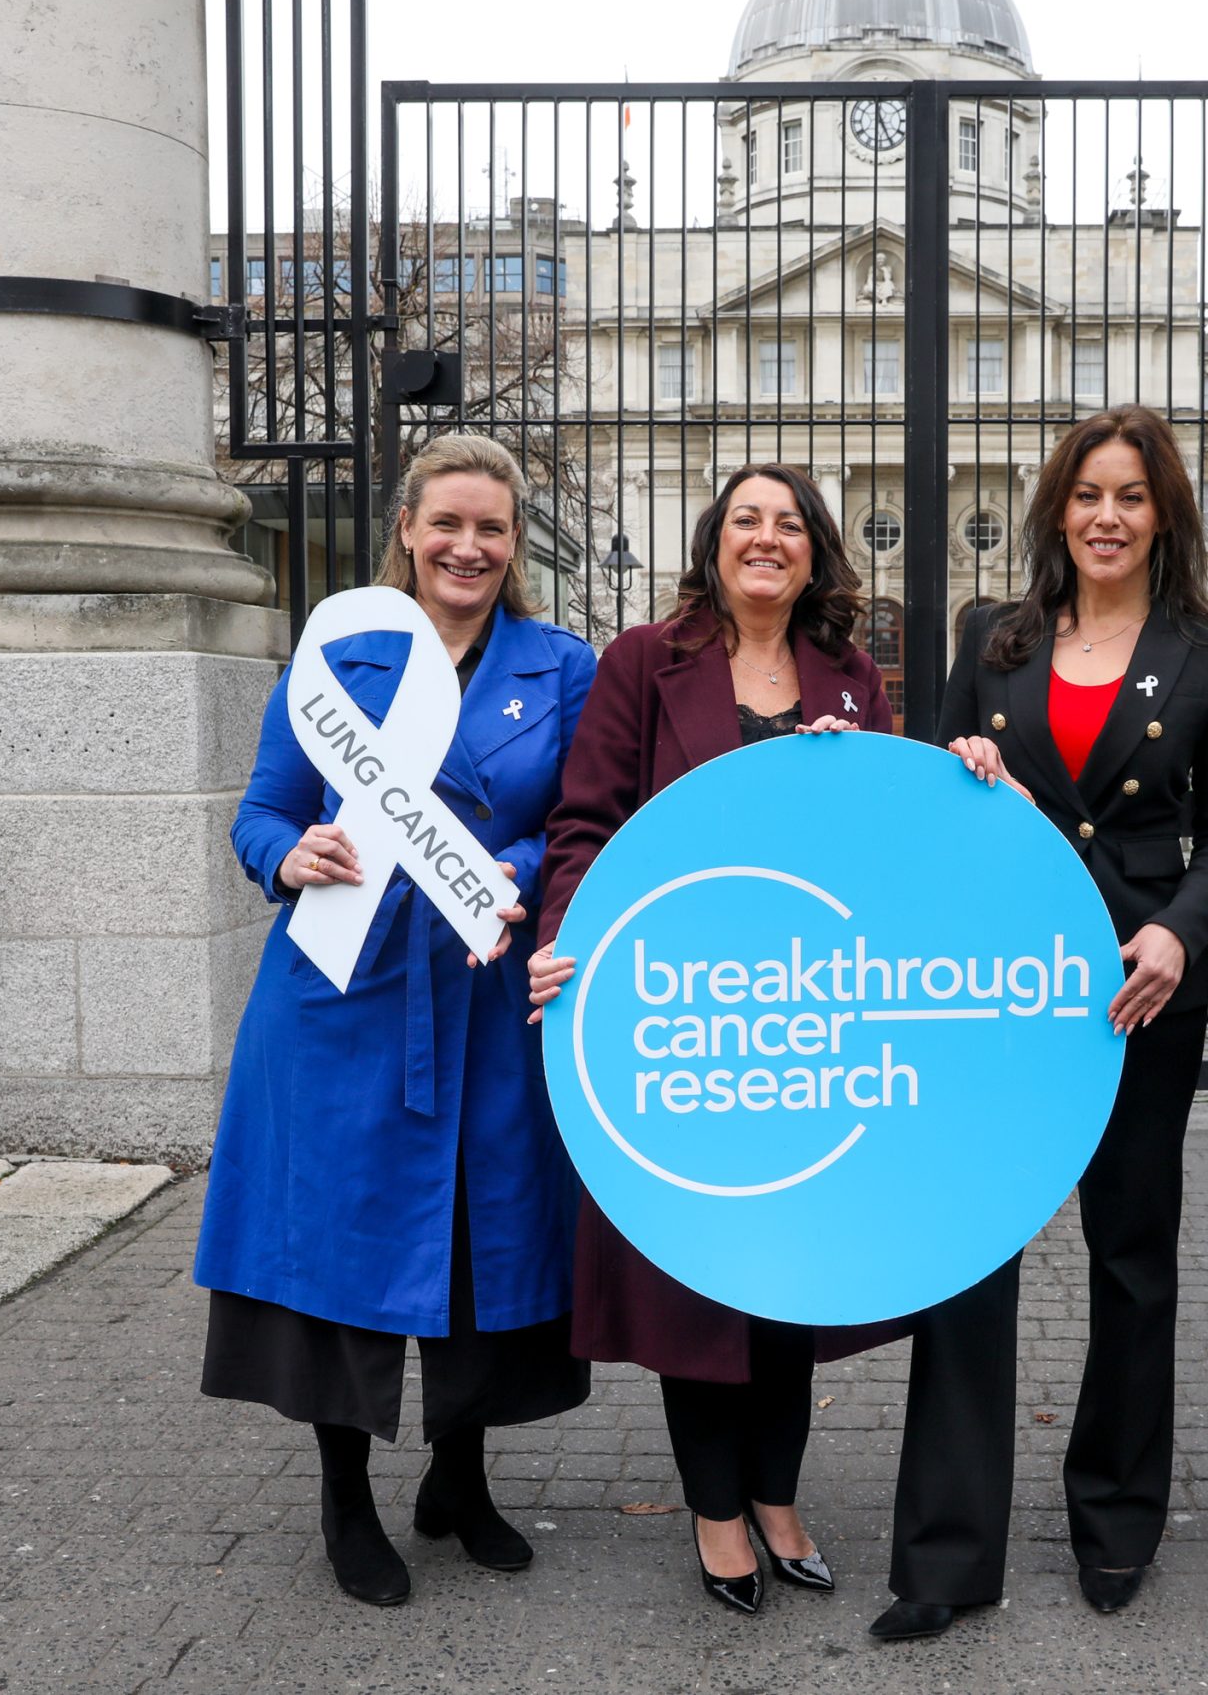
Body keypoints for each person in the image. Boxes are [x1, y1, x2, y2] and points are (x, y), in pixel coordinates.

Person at [195, 434, 598, 1608]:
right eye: (448, 526)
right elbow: (261, 811)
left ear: (514, 545)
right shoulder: (338, 655)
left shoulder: (556, 665)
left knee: (481, 1248)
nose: (468, 547)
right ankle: (345, 1498)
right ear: (407, 534)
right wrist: (291, 853)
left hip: (483, 992)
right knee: (339, 1248)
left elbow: (575, 819)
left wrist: (492, 871)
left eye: (492, 528)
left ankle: (459, 1483)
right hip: (341, 1000)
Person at [883, 404, 1208, 1637]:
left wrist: (1179, 925)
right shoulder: (992, 641)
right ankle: (944, 1561)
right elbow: (932, 798)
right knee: (970, 1265)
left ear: (1163, 518)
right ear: (1059, 511)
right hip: (996, 997)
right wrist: (967, 769)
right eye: (1088, 494)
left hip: (1135, 993)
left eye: (1131, 497)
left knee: (1132, 1265)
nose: (1106, 516)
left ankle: (1116, 1522)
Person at [526, 463, 894, 1618]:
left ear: (815, 551)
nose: (767, 539)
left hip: (806, 1019)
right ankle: (717, 1511)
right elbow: (585, 820)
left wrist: (971, 774)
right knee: (699, 1273)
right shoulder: (646, 660)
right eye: (747, 520)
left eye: (789, 525)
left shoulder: (851, 674)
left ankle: (778, 1497)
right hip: (681, 1011)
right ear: (714, 540)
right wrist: (566, 937)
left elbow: (890, 834)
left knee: (791, 1275)